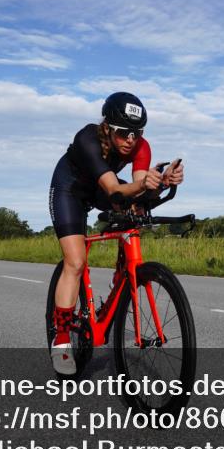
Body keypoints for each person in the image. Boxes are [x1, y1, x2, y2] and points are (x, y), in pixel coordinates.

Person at [48, 92, 184, 374]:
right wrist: (144, 185)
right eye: (124, 133)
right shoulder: (87, 139)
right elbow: (114, 190)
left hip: (102, 187)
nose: (131, 140)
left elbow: (136, 187)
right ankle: (61, 339)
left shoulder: (140, 147)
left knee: (135, 208)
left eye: (137, 133)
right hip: (70, 189)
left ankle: (122, 277)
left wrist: (160, 183)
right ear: (107, 127)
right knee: (74, 262)